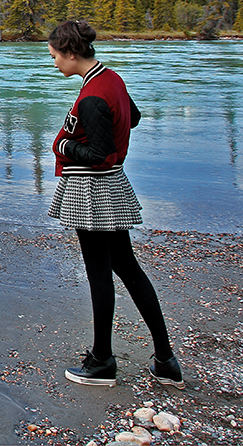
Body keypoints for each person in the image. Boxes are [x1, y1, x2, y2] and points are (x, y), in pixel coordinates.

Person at [46, 20, 184, 389]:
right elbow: (133, 118)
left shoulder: (92, 96)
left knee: (98, 272)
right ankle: (165, 360)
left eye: (55, 56)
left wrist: (63, 146)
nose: (54, 62)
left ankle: (103, 361)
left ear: (72, 53)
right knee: (127, 267)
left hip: (93, 190)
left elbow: (98, 153)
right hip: (112, 186)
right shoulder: (111, 80)